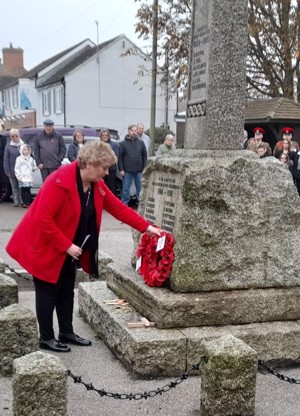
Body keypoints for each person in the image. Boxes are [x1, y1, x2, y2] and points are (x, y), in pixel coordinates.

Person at [6, 141, 161, 353]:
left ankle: (66, 332)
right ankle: (47, 338)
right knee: (47, 292)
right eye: (104, 168)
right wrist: (67, 245)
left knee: (66, 291)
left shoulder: (95, 184)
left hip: (70, 249)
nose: (107, 173)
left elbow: (117, 208)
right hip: (45, 247)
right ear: (88, 163)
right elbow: (43, 219)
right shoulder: (58, 181)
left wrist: (147, 227)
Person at [119, 124, 147, 206]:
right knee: (126, 189)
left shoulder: (141, 143)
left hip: (139, 170)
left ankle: (141, 204)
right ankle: (124, 205)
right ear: (128, 131)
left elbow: (144, 156)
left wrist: (144, 167)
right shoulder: (123, 143)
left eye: (135, 131)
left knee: (140, 188)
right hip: (127, 170)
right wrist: (121, 169)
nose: (134, 132)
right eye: (132, 131)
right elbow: (120, 157)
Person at [3, 128, 24, 206]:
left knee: (21, 187)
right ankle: (16, 201)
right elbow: (6, 159)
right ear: (11, 137)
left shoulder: (23, 145)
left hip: (22, 171)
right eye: (13, 136)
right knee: (14, 187)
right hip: (12, 170)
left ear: (19, 135)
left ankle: (22, 201)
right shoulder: (8, 147)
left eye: (16, 136)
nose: (15, 138)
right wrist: (7, 171)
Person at [14, 144, 37, 208]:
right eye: (24, 150)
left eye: (27, 150)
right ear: (21, 150)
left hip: (29, 176)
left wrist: (36, 166)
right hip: (22, 177)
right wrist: (18, 176)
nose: (26, 151)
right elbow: (17, 168)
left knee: (28, 190)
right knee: (23, 190)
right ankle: (24, 202)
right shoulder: (19, 159)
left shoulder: (31, 159)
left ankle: (28, 202)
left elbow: (34, 167)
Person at [99, 128, 119, 195]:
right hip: (100, 169)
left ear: (108, 136)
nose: (105, 136)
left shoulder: (114, 145)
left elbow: (116, 156)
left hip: (111, 169)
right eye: (103, 135)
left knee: (111, 187)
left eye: (106, 135)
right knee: (101, 186)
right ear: (101, 136)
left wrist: (107, 164)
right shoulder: (98, 145)